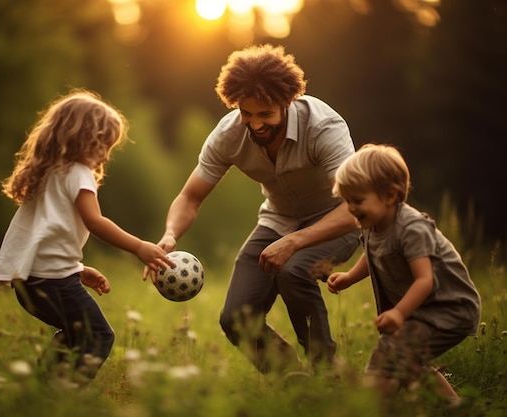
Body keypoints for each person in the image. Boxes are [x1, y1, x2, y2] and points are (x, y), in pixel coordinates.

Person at [149, 44, 361, 374]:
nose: (255, 124)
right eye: (246, 113)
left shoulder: (323, 127)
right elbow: (190, 197)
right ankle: (292, 380)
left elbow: (354, 207)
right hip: (277, 219)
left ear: (287, 101)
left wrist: (294, 243)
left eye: (265, 114)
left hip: (337, 219)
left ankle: (326, 373)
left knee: (295, 271)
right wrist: (170, 234)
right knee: (236, 318)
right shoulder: (229, 134)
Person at [0, 89, 173, 381]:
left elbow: (45, 236)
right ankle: (64, 398)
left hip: (30, 283)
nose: (104, 155)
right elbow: (95, 221)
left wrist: (76, 270)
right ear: (80, 138)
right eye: (101, 144)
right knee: (98, 336)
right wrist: (139, 246)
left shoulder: (47, 173)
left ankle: (39, 393)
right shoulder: (78, 172)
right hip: (53, 283)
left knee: (75, 334)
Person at [327, 143, 481, 404]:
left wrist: (399, 313)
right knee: (411, 361)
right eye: (347, 200)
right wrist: (350, 277)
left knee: (391, 353)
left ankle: (369, 407)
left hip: (448, 308)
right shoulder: (371, 224)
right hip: (425, 311)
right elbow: (373, 253)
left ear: (389, 196)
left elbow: (425, 279)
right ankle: (456, 409)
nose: (351, 208)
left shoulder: (412, 229)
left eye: (358, 200)